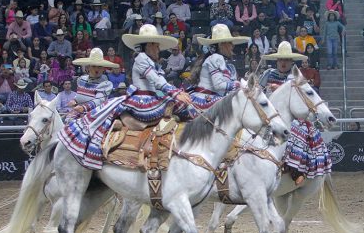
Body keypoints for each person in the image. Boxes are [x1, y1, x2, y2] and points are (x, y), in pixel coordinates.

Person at [59, 24, 192, 170]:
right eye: (155, 45)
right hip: (143, 102)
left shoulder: (152, 62)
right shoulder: (141, 58)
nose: (158, 49)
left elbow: (160, 82)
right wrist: (176, 93)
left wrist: (176, 93)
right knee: (181, 106)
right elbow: (157, 80)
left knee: (182, 106)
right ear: (148, 45)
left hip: (150, 98)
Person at [260, 41, 331, 185]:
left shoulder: (295, 76)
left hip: (290, 115)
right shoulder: (268, 74)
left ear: (291, 61)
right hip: (268, 114)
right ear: (277, 61)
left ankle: (297, 171)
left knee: (299, 133)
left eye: (286, 60)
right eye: (280, 60)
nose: (283, 63)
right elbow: (258, 91)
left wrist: (277, 88)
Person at [189, 24, 250, 109]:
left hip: (215, 98)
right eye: (230, 43)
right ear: (221, 45)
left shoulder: (229, 66)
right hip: (205, 99)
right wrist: (239, 84)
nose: (233, 46)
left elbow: (230, 88)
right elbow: (219, 85)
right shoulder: (215, 58)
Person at [67, 48, 118, 116]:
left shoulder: (106, 84)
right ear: (88, 67)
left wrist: (84, 108)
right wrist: (74, 100)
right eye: (94, 66)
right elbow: (79, 95)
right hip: (77, 112)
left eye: (99, 67)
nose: (96, 69)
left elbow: (99, 101)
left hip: (95, 115)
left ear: (103, 69)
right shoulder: (81, 79)